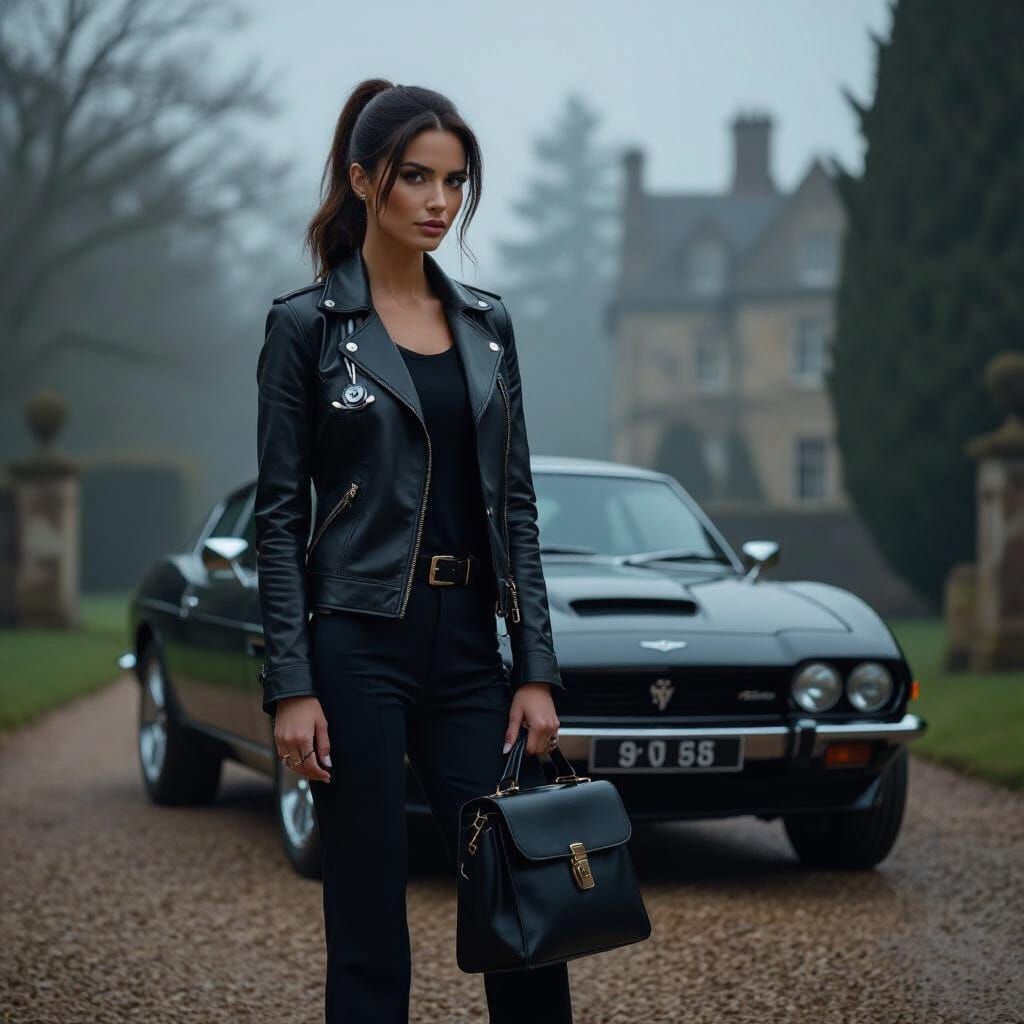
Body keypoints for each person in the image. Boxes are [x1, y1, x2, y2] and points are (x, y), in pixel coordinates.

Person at [253, 79, 574, 1024]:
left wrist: (537, 669)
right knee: (366, 907)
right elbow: (278, 516)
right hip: (357, 645)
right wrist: (293, 683)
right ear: (363, 182)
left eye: (455, 181)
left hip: (472, 651)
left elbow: (515, 504)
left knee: (523, 894)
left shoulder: (487, 324)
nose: (440, 201)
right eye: (416, 178)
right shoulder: (306, 329)